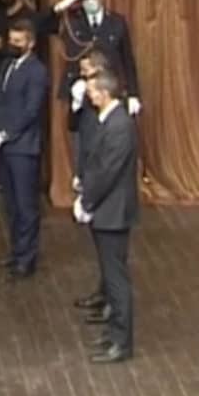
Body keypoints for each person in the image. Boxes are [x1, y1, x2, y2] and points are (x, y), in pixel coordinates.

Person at [74, 71, 139, 363]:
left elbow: (108, 171)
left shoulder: (119, 126)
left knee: (116, 280)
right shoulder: (110, 121)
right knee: (110, 276)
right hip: (106, 209)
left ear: (104, 92)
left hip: (112, 211)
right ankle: (113, 333)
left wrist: (87, 201)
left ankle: (122, 343)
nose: (89, 95)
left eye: (92, 90)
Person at [0, 19, 47, 280]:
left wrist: (6, 133)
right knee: (11, 204)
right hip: (5, 147)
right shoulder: (7, 65)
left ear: (30, 43)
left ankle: (26, 258)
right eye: (11, 40)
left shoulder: (37, 71)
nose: (12, 45)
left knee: (25, 205)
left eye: (18, 41)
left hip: (23, 147)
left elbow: (31, 110)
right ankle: (16, 250)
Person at [39, 0, 140, 120]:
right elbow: (41, 27)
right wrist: (59, 7)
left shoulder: (116, 22)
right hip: (79, 94)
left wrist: (133, 94)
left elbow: (127, 59)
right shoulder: (70, 21)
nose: (91, 0)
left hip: (109, 91)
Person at [67, 50, 115, 322]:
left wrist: (89, 190)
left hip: (104, 190)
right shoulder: (87, 100)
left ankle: (112, 302)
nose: (82, 76)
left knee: (110, 251)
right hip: (87, 173)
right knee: (100, 246)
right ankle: (103, 292)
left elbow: (103, 156)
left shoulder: (110, 110)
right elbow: (77, 131)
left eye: (86, 71)